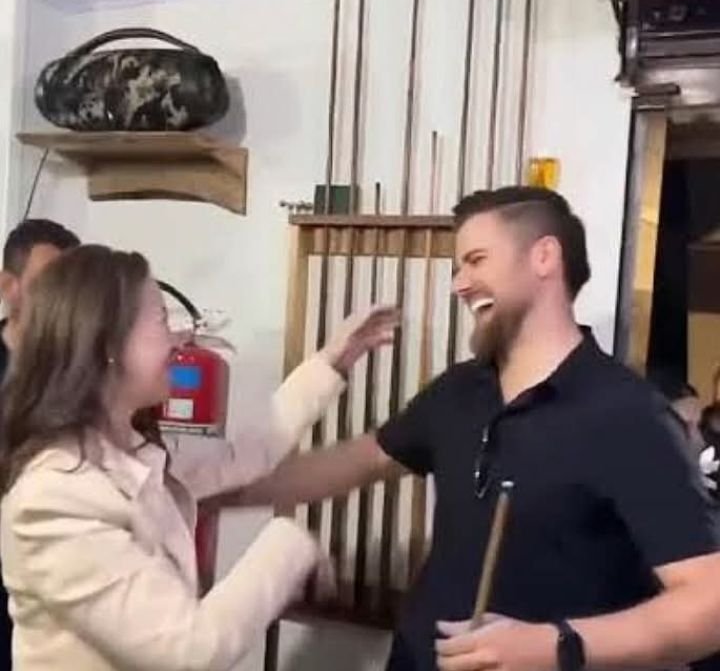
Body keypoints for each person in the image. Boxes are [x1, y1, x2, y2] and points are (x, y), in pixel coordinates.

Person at [225, 186, 720, 671]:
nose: (460, 284)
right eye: (457, 268)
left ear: (544, 257)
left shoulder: (630, 415)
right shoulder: (460, 389)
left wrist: (554, 646)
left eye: (476, 260)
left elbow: (708, 606)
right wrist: (216, 493)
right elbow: (360, 459)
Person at [0, 244, 399, 671]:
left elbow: (244, 454)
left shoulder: (131, 449)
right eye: (160, 319)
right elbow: (189, 649)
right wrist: (291, 545)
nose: (178, 339)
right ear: (108, 346)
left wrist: (332, 361)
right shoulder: (54, 497)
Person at [0, 218, 79, 668]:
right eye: (47, 285)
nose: (60, 303)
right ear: (8, 287)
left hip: (54, 592)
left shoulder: (81, 379)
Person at [0, 218, 80, 378]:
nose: (65, 295)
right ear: (8, 286)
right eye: (49, 282)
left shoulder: (86, 366)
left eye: (74, 283)